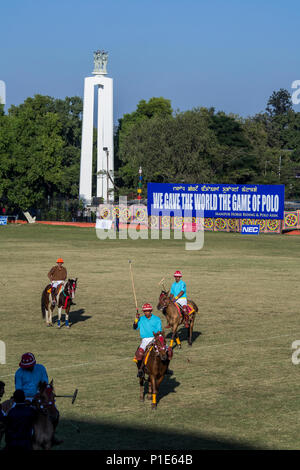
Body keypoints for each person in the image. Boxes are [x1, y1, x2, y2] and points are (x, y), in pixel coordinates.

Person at [133, 303, 162, 378]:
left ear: (151, 311)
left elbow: (159, 330)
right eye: (145, 311)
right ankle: (140, 370)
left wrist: (157, 336)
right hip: (145, 339)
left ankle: (165, 368)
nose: (146, 313)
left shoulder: (157, 319)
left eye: (148, 311)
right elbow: (135, 327)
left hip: (155, 338)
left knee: (166, 350)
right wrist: (136, 319)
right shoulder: (141, 319)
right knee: (139, 353)